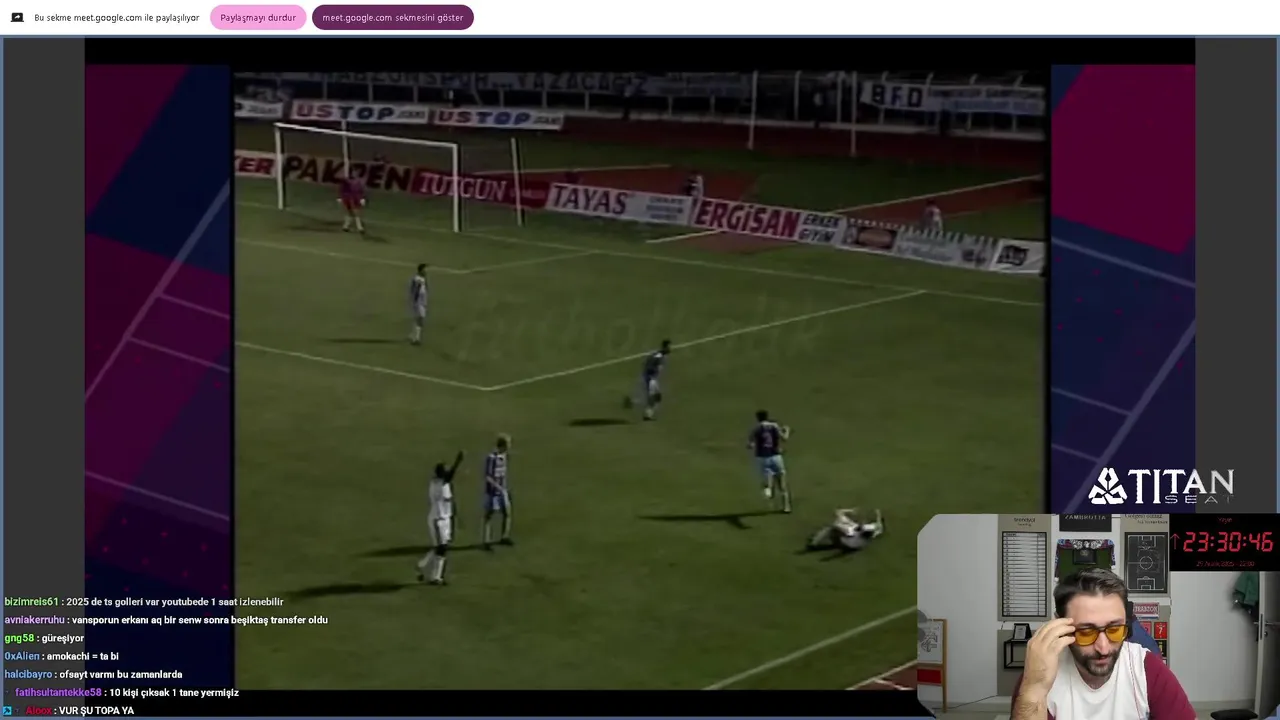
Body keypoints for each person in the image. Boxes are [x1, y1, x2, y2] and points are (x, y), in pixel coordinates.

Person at [1011, 569, 1194, 720]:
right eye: (1086, 632)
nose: (1104, 648)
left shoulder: (1146, 668)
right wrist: (1034, 689)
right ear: (1060, 626)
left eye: (1114, 629)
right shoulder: (1040, 673)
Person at [417, 450, 465, 586]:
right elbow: (450, 476)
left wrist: (454, 516)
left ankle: (422, 566)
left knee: (442, 547)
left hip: (445, 518)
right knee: (441, 547)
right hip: (437, 519)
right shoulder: (437, 484)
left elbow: (449, 500)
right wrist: (458, 461)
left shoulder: (445, 483)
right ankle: (435, 577)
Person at [748, 410, 791, 513]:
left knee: (766, 479)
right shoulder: (774, 426)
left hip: (762, 458)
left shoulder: (756, 429)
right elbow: (784, 438)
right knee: (781, 482)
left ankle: (768, 491)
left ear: (757, 418)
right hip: (776, 457)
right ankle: (786, 507)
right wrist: (787, 430)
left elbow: (751, 444)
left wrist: (751, 445)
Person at [623, 339, 671, 421]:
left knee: (657, 397)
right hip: (650, 379)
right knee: (651, 398)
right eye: (669, 347)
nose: (670, 349)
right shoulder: (659, 357)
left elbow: (645, 363)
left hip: (652, 379)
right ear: (665, 347)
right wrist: (651, 372)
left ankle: (647, 413)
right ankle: (632, 403)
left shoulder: (658, 354)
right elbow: (649, 365)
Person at [481, 435, 513, 550]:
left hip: (502, 490)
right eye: (508, 444)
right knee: (489, 516)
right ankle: (486, 541)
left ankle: (504, 537)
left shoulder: (504, 456)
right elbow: (488, 476)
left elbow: (502, 474)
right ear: (503, 445)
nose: (510, 446)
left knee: (507, 513)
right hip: (492, 492)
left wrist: (504, 488)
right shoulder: (491, 458)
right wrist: (498, 487)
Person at [804, 508, 883, 552]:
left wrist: (850, 511)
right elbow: (879, 527)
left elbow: (838, 512)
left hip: (846, 545)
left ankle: (813, 544)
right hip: (855, 545)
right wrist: (878, 515)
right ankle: (815, 541)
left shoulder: (853, 532)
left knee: (831, 529)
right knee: (838, 526)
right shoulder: (869, 532)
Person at [338, 169, 366, 234]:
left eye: (355, 173)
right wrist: (340, 197)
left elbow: (361, 190)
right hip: (348, 198)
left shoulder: (359, 181)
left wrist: (362, 198)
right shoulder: (346, 181)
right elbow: (342, 189)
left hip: (355, 198)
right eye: (353, 173)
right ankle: (350, 227)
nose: (354, 174)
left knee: (354, 212)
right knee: (351, 212)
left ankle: (355, 227)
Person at [408, 263, 428, 346]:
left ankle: (414, 335)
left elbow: (424, 289)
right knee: (420, 318)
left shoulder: (423, 278)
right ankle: (416, 339)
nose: (426, 271)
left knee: (419, 319)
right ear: (421, 270)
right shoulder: (417, 279)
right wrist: (415, 301)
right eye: (424, 269)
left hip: (422, 302)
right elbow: (415, 290)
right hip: (418, 302)